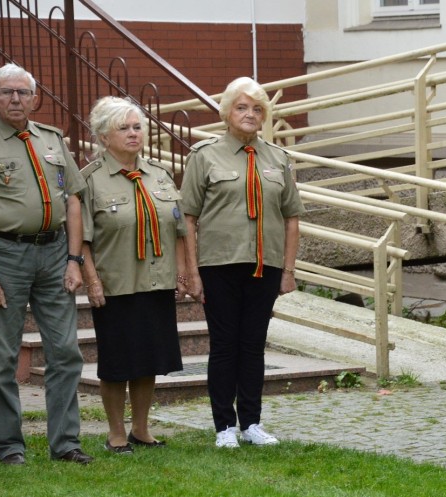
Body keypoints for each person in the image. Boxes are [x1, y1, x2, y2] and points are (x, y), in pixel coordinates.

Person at [182, 77, 305, 449]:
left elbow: (291, 217)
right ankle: (224, 427)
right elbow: (187, 217)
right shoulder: (204, 156)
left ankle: (251, 422)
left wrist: (287, 271)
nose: (250, 115)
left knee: (253, 345)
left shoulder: (278, 158)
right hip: (219, 265)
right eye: (242, 107)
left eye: (257, 109)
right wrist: (191, 272)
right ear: (226, 112)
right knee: (224, 345)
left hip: (264, 266)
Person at [0, 63, 93, 465]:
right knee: (1, 357)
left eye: (22, 92)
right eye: (6, 92)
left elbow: (72, 199)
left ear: (35, 98)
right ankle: (7, 445)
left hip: (54, 255)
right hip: (4, 255)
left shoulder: (51, 139)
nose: (15, 99)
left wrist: (74, 260)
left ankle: (66, 443)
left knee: (66, 351)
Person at [79, 96, 189, 454]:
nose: (133, 134)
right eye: (122, 128)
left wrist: (185, 272)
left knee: (150, 358)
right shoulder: (90, 180)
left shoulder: (159, 174)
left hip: (156, 281)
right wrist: (92, 280)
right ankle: (115, 432)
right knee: (117, 362)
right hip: (116, 284)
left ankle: (141, 428)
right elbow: (81, 240)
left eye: (137, 127)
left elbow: (179, 228)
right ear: (103, 137)